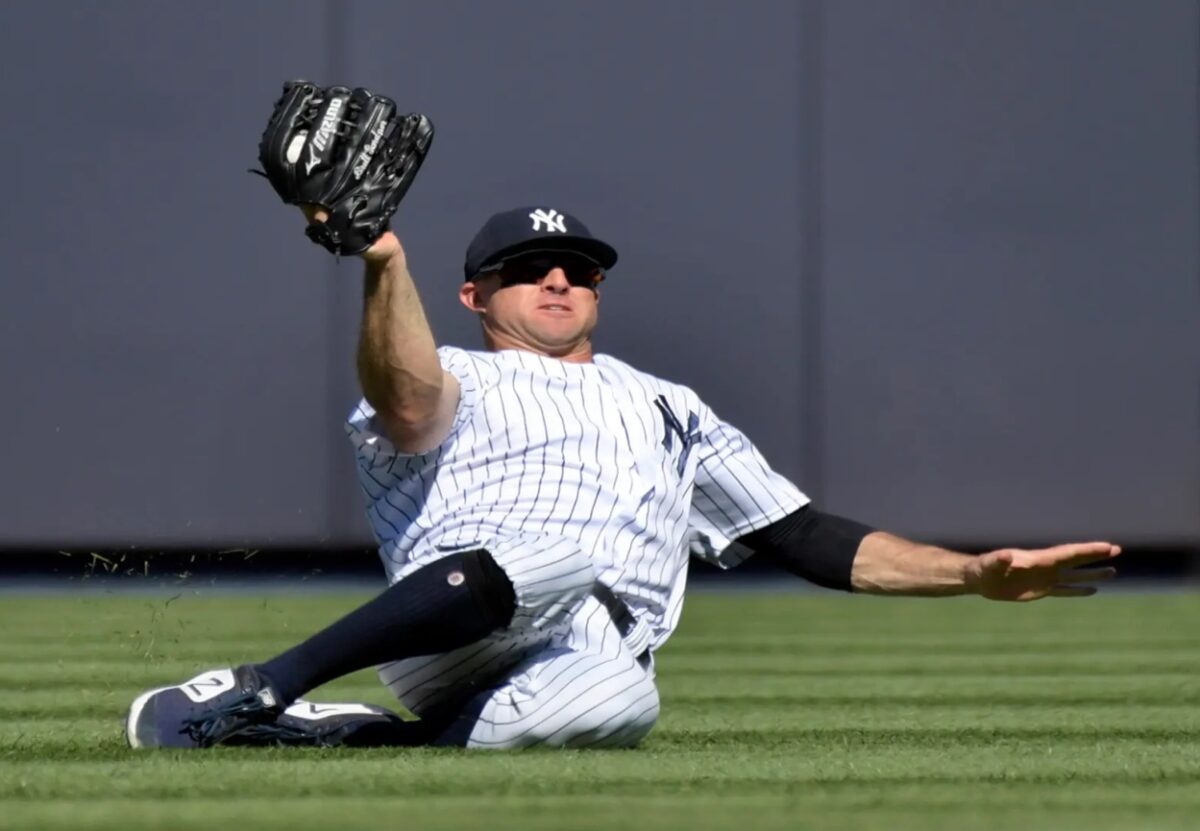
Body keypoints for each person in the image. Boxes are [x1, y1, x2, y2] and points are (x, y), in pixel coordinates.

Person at [126, 205, 1120, 750]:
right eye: (528, 267)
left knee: (624, 705)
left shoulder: (671, 404)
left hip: (580, 653)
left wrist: (971, 575)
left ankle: (335, 741)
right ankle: (260, 687)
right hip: (456, 623)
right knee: (560, 554)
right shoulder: (458, 370)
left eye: (578, 268)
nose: (558, 280)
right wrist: (385, 260)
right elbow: (404, 397)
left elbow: (799, 534)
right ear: (476, 294)